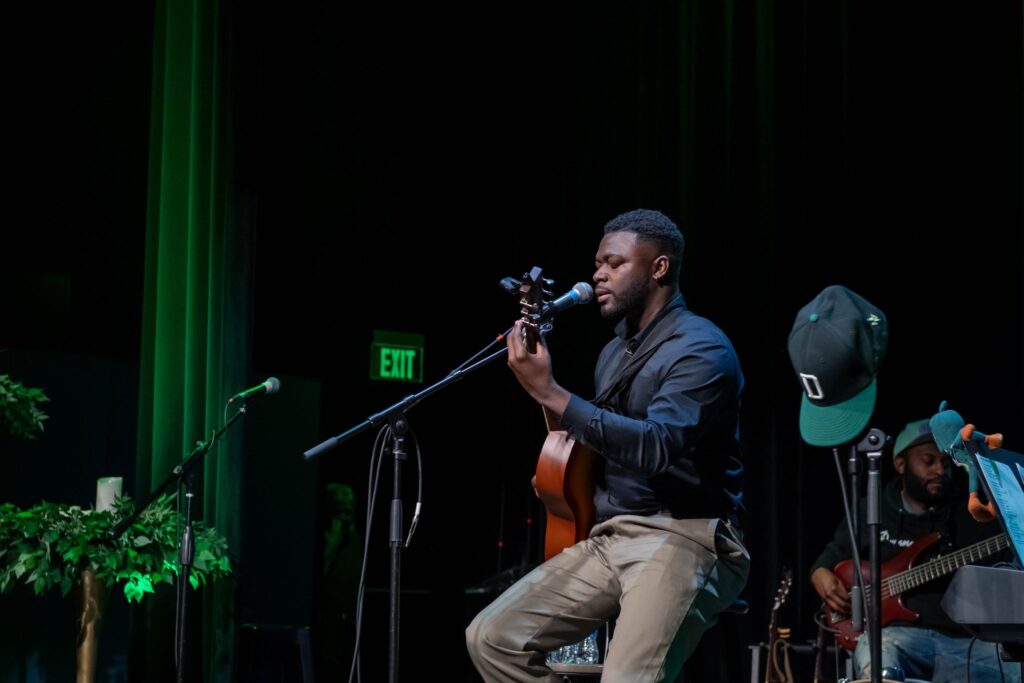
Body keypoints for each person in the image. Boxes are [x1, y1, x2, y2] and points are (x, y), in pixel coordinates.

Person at [465, 208, 750, 682]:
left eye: (614, 263)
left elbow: (657, 447)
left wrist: (549, 390)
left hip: (686, 536)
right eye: (598, 263)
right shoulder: (614, 352)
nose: (598, 274)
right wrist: (557, 459)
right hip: (612, 535)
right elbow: (598, 440)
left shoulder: (702, 348)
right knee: (493, 637)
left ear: (659, 267)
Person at [810, 418, 1021, 683]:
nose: (939, 470)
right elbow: (831, 557)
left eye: (945, 463)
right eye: (928, 461)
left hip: (964, 643)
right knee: (878, 649)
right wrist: (819, 573)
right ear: (901, 464)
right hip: (898, 639)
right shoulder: (872, 509)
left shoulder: (969, 512)